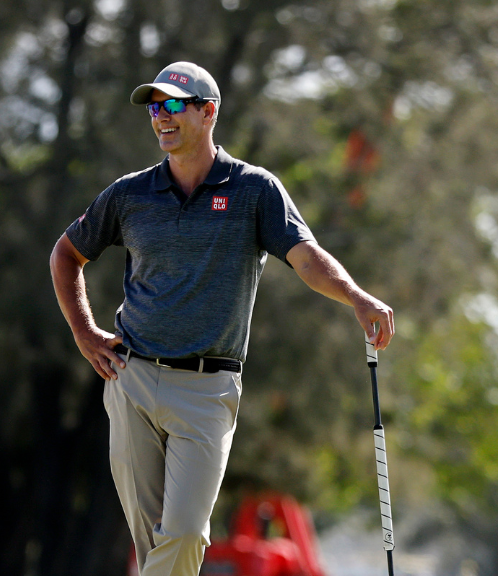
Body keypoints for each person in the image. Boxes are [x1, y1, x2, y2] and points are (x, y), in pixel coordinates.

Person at [49, 62, 394, 576]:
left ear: (208, 112)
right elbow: (65, 255)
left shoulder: (255, 190)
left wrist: (356, 297)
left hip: (207, 391)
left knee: (185, 533)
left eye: (172, 105)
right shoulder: (129, 194)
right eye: (153, 107)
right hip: (132, 378)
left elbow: (306, 257)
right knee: (151, 548)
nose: (160, 118)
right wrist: (83, 332)